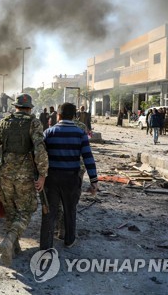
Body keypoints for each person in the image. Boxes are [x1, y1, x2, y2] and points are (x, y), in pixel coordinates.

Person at [0, 93, 47, 266]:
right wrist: (42, 175)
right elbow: (39, 150)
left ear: (16, 107)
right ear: (29, 108)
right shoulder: (33, 123)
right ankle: (9, 240)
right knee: (26, 210)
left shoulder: (3, 123)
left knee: (10, 211)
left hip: (4, 174)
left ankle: (14, 247)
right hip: (24, 176)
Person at [41, 102, 98, 250]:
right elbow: (88, 157)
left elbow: (40, 156)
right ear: (74, 116)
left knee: (49, 212)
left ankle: (46, 245)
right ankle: (69, 240)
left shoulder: (48, 132)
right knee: (70, 210)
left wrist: (40, 176)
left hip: (51, 178)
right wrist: (94, 180)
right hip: (72, 178)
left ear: (58, 115)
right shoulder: (80, 134)